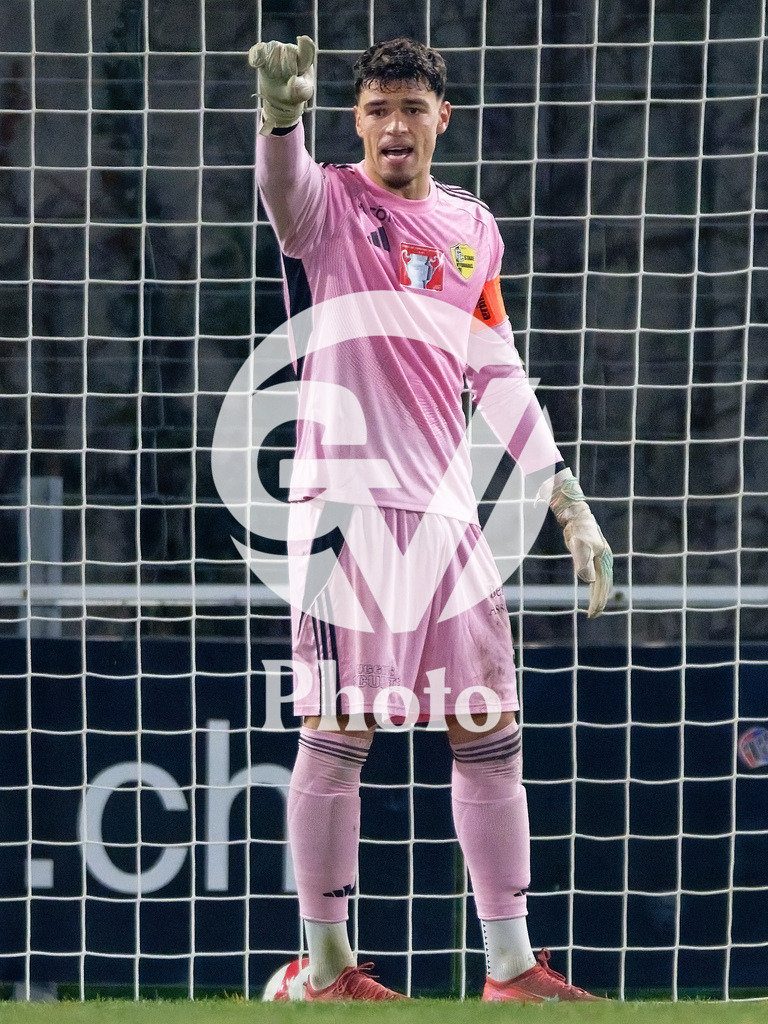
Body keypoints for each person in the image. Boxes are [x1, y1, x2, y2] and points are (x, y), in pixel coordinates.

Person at [247, 35, 613, 1002]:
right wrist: (282, 119)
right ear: (355, 121)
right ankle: (324, 968)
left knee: (490, 733)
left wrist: (564, 498)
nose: (392, 126)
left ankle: (510, 967)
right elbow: (283, 191)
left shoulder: (472, 228)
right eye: (373, 110)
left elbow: (495, 364)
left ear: (439, 119)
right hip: (348, 508)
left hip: (451, 520)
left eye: (409, 108)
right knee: (339, 733)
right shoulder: (328, 206)